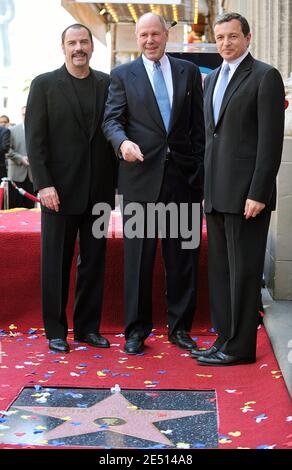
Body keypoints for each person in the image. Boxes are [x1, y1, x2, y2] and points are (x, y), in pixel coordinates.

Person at [103, 13, 205, 355]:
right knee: (138, 261)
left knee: (182, 260)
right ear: (137, 37)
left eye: (155, 34)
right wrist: (121, 143)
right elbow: (112, 120)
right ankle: (136, 331)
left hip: (183, 183)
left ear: (166, 35)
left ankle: (180, 329)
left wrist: (199, 177)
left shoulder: (188, 72)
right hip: (140, 181)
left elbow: (198, 129)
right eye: (144, 35)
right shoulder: (121, 76)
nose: (150, 40)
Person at [191, 12, 285, 366]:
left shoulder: (265, 77)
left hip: (248, 196)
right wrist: (207, 189)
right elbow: (212, 139)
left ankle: (241, 346)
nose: (226, 43)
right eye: (220, 38)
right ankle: (224, 339)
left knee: (244, 274)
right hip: (216, 194)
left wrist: (259, 192)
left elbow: (270, 142)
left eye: (233, 36)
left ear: (247, 38)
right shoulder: (213, 78)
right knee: (221, 273)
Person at [25, 24, 117, 353]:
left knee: (94, 263)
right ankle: (55, 331)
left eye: (84, 42)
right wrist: (44, 185)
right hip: (58, 192)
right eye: (72, 43)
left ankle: (88, 329)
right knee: (56, 263)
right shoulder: (44, 85)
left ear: (92, 47)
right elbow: (36, 142)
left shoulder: (107, 83)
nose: (78, 48)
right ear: (63, 47)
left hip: (99, 192)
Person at [6, 106, 35, 208]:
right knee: (15, 206)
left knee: (30, 207)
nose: (26, 116)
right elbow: (7, 150)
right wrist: (21, 158)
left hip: (33, 176)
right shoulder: (12, 130)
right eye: (24, 114)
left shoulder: (38, 131)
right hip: (16, 175)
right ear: (21, 115)